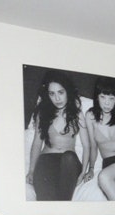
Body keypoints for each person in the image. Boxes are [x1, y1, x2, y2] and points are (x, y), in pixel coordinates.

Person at [26, 70, 89, 200]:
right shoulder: (42, 114)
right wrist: (31, 171)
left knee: (68, 157)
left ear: (68, 92)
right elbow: (37, 143)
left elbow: (86, 146)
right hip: (46, 161)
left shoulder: (77, 114)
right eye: (52, 94)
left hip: (69, 163)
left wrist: (83, 172)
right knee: (47, 199)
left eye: (60, 92)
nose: (57, 98)